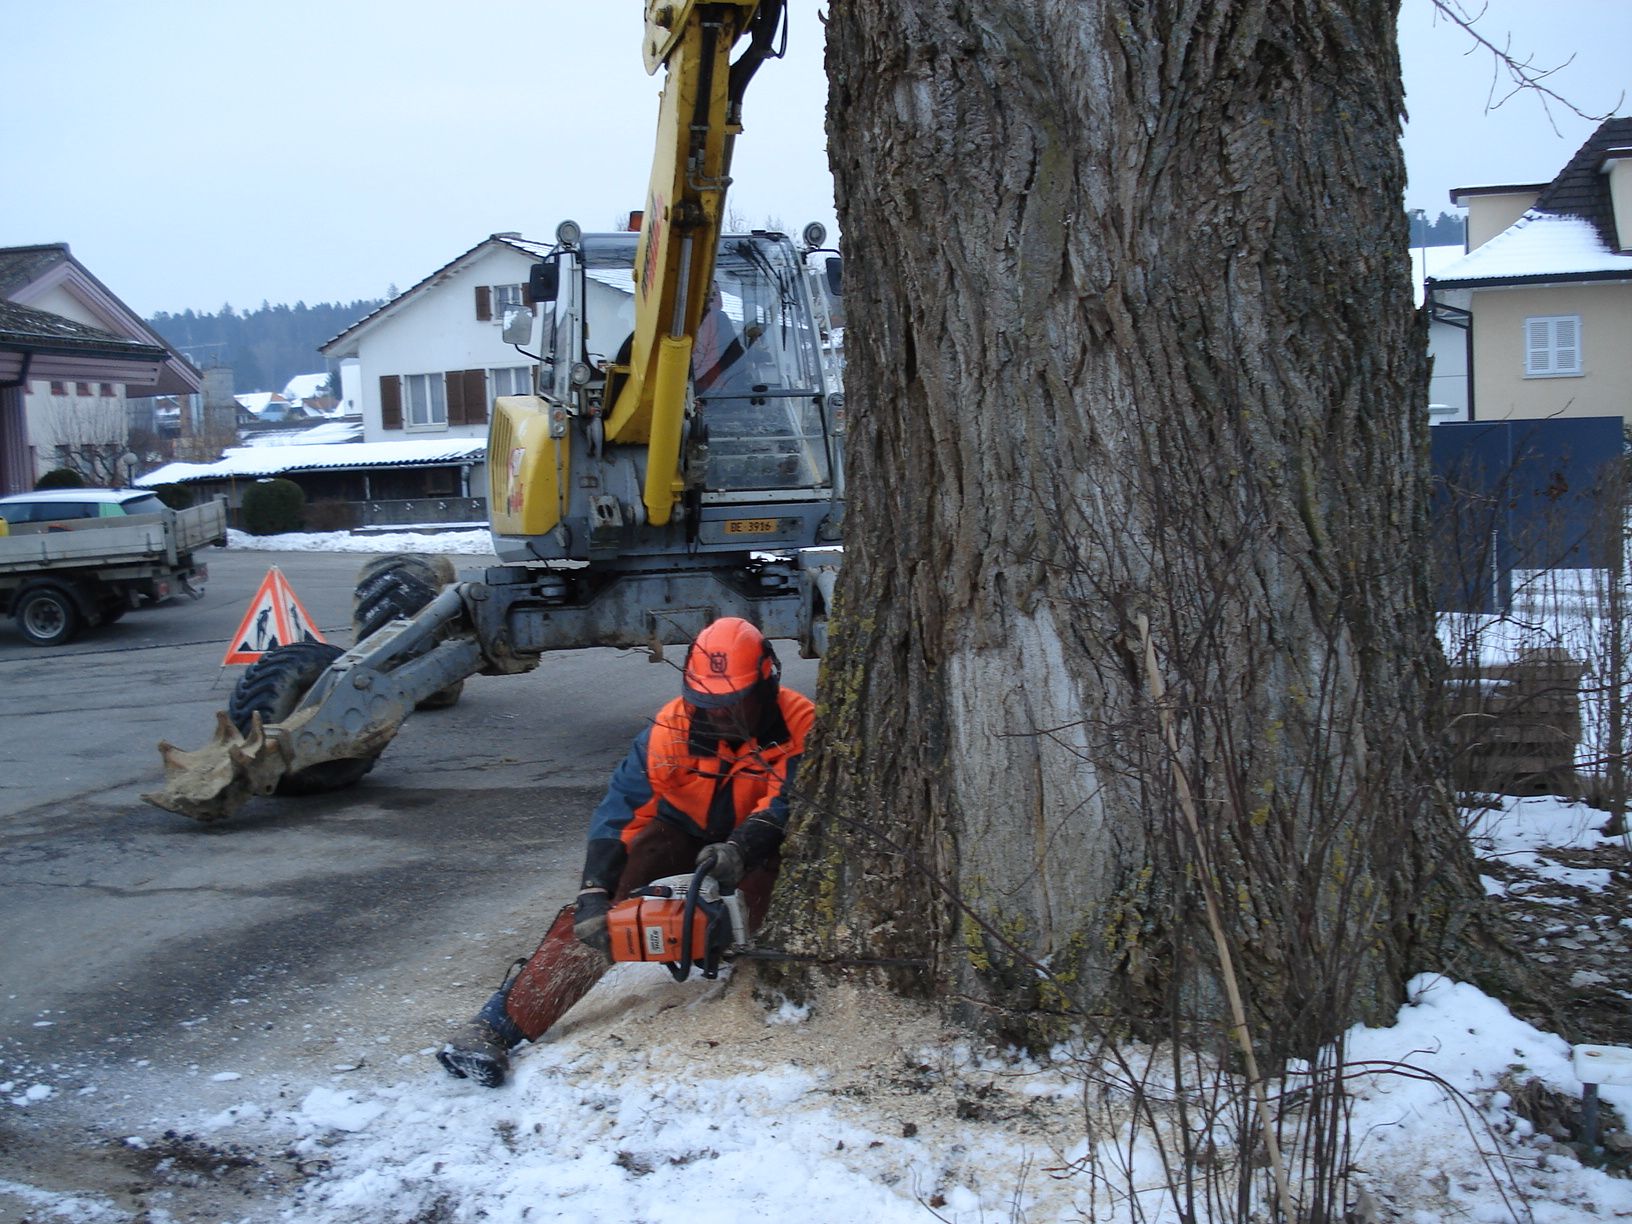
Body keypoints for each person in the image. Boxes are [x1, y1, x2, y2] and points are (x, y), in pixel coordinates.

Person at [437, 616, 814, 1087]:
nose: (719, 715)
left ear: (765, 686)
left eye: (733, 704)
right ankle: (497, 1025)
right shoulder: (670, 729)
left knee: (749, 906)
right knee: (602, 916)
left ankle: (750, 984)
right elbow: (620, 812)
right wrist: (594, 889)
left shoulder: (799, 723)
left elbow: (784, 804)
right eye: (709, 704)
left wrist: (740, 849)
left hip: (757, 842)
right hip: (682, 830)